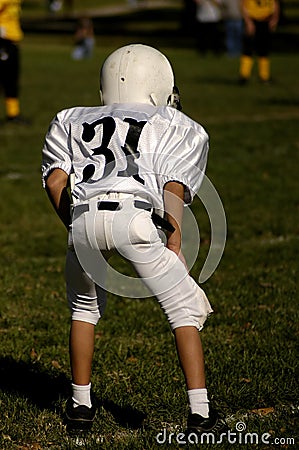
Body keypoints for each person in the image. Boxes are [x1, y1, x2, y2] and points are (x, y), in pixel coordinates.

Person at [41, 44, 227, 437]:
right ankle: (199, 410)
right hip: (135, 219)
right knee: (182, 309)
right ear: (159, 83)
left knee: (84, 310)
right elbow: (173, 183)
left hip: (85, 218)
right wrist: (174, 239)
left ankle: (79, 404)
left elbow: (56, 179)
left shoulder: (71, 119)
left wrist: (73, 225)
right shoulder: (172, 123)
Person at [239, 0, 280, 83]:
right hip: (252, 19)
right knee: (248, 48)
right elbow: (242, 5)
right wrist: (248, 22)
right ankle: (244, 75)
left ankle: (264, 76)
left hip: (266, 20)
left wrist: (275, 19)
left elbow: (275, 4)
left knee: (264, 49)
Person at [0, 0, 26, 123]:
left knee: (11, 78)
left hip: (12, 41)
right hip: (3, 40)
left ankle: (13, 113)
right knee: (4, 77)